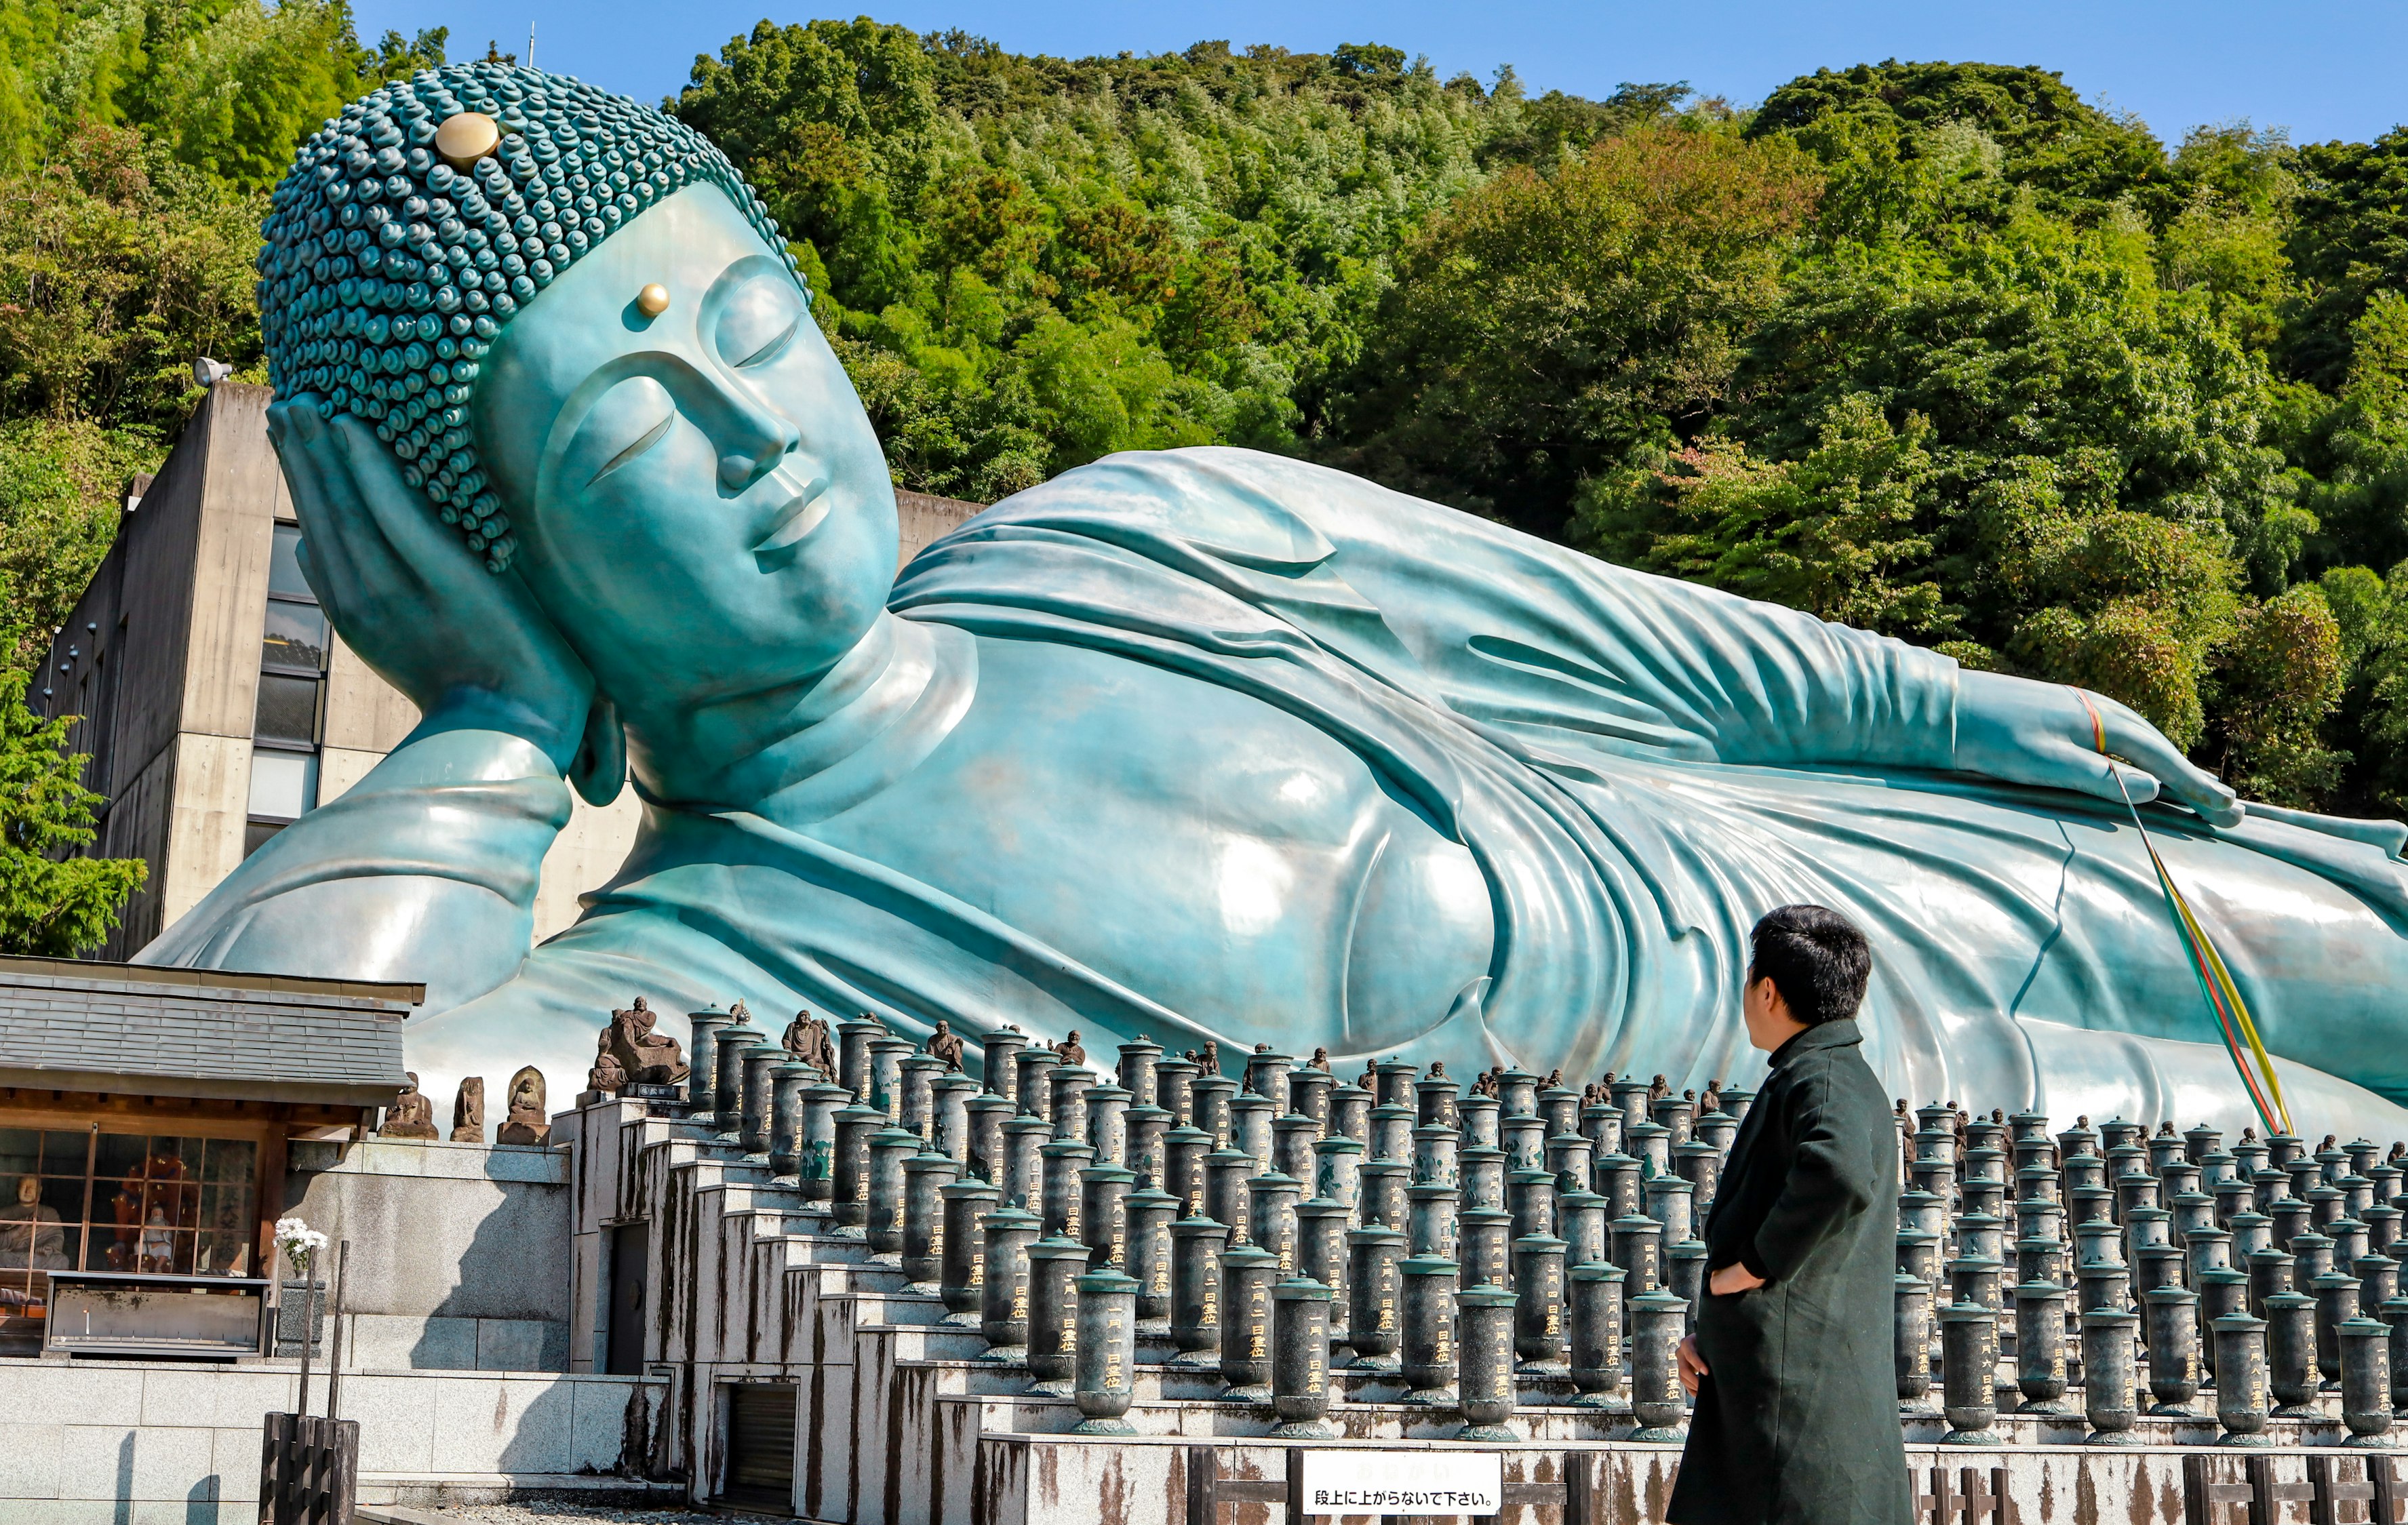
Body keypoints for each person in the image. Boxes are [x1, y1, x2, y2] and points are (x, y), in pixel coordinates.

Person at [149, 64, 2408, 1140]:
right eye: (631, 439)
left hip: (1832, 881)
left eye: (749, 336)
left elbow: (1666, 647)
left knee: (2356, 937)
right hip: (1824, 1132)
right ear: (486, 548)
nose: (754, 443)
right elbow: (298, 1089)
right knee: (2340, 1148)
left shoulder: (1137, 534)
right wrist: (485, 719)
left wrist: (1964, 709)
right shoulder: (691, 958)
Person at [1667, 905, 1918, 1525]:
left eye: (1748, 981)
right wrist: (1718, 1322)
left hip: (1796, 1400)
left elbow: (1835, 1173)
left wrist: (1751, 1268)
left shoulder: (1815, 1078)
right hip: (1833, 1396)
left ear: (1769, 989)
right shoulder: (1849, 1075)